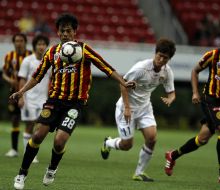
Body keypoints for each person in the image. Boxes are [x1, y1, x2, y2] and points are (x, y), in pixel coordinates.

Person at [10, 13, 135, 190]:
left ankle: (52, 168)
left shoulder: (84, 50)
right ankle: (22, 173)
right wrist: (21, 92)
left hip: (75, 104)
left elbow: (105, 66)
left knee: (59, 141)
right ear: (58, 33)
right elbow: (37, 76)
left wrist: (123, 82)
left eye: (68, 31)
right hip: (54, 101)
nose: (65, 34)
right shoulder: (52, 52)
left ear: (75, 32)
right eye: (62, 31)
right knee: (38, 135)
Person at [164, 28, 220, 186]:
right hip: (209, 99)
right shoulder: (213, 55)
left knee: (202, 138)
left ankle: (172, 155)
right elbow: (195, 71)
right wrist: (195, 93)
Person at [101, 38, 176, 182]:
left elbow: (171, 92)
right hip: (126, 108)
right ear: (155, 53)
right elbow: (122, 84)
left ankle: (139, 173)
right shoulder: (141, 68)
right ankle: (108, 143)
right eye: (159, 55)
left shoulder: (167, 72)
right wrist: (127, 108)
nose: (161, 59)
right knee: (126, 145)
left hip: (145, 108)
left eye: (165, 58)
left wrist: (171, 98)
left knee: (152, 138)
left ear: (169, 59)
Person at [18, 34, 50, 164]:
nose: (41, 46)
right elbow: (22, 79)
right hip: (29, 99)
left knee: (40, 126)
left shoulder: (49, 61)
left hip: (43, 99)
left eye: (43, 44)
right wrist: (21, 97)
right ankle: (28, 153)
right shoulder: (27, 61)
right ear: (34, 46)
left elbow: (52, 80)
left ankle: (31, 152)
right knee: (30, 124)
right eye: (39, 44)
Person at [2, 33, 32, 157]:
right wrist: (10, 80)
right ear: (14, 42)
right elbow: (4, 73)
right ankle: (14, 149)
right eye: (16, 41)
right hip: (13, 92)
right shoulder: (9, 56)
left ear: (25, 42)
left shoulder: (31, 56)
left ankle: (29, 150)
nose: (18, 43)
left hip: (28, 93)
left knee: (30, 120)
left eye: (21, 41)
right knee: (15, 119)